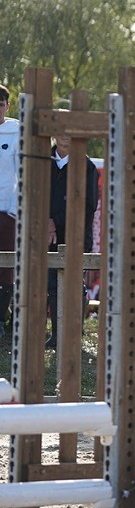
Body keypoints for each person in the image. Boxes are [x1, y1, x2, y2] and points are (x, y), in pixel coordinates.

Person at [47, 133, 100, 349]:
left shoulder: (86, 166)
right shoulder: (42, 161)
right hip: (45, 233)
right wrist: (46, 222)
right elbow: (32, 194)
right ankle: (57, 335)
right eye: (60, 131)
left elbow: (88, 204)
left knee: (73, 285)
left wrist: (55, 222)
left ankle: (74, 333)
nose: (65, 136)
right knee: (51, 285)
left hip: (75, 235)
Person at [0, 85, 18, 339]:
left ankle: (2, 322)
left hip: (7, 211)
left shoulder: (17, 131)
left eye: (0, 103)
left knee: (5, 268)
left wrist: (15, 210)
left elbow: (22, 172)